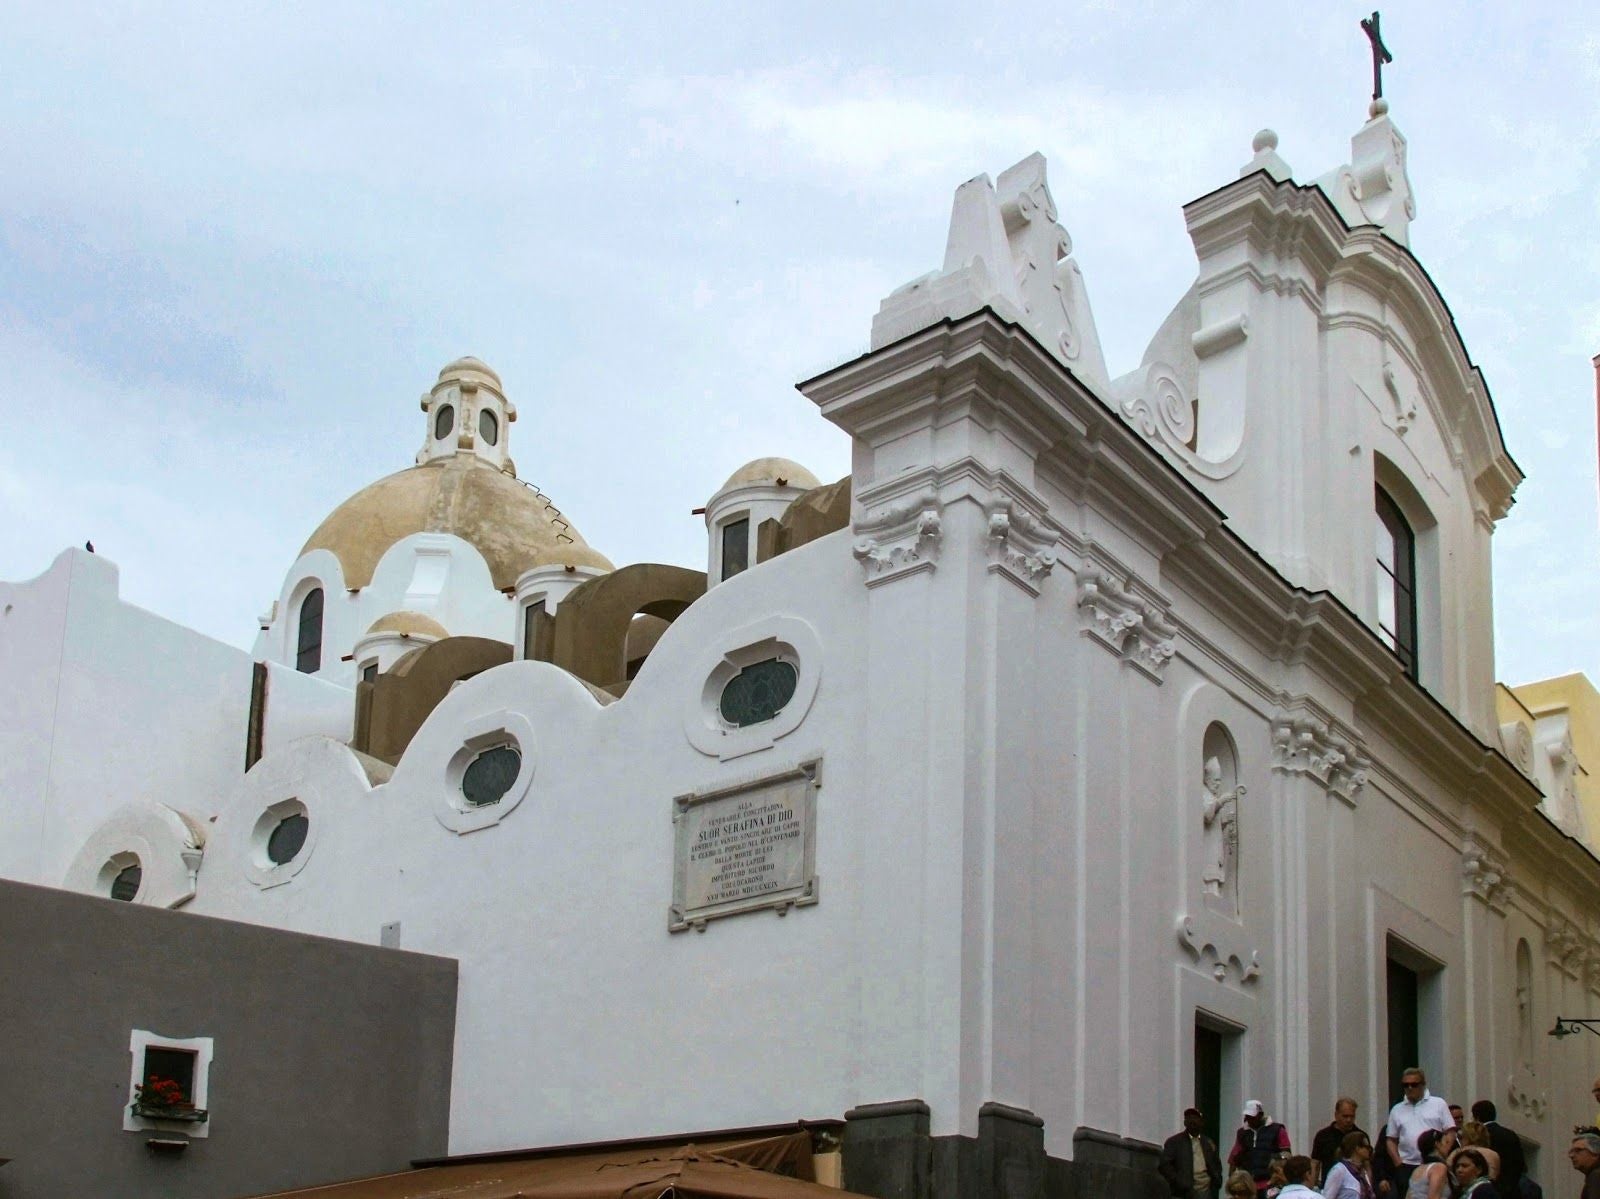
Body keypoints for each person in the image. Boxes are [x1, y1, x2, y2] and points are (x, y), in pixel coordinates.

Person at [1386, 1069, 1456, 1194]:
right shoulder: (1397, 1109)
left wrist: (1444, 1152)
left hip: (1433, 1162)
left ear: (1423, 1085)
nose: (1410, 1088)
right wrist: (1398, 1163)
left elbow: (1450, 1131)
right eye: (1406, 1085)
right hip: (1407, 1164)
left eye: (1414, 1084)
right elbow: (1391, 1139)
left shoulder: (1438, 1104)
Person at [1229, 1100, 1291, 1195]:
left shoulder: (1277, 1130)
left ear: (1260, 1114)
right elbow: (1234, 1157)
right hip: (1248, 1183)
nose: (1249, 1119)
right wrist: (1232, 1179)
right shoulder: (1242, 1133)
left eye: (1252, 1117)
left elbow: (1287, 1154)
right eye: (1247, 1116)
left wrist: (1275, 1161)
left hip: (1271, 1182)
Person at [1162, 1107, 1224, 1199]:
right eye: (1189, 1118)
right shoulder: (1174, 1142)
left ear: (1201, 1122)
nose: (1192, 1121)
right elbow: (1164, 1165)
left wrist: (1217, 1180)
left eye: (1195, 1118)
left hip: (1205, 1191)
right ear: (1185, 1122)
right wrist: (1179, 1182)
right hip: (1183, 1193)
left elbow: (1216, 1164)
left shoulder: (1208, 1143)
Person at [1472, 1100, 1526, 1199]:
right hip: (1512, 1191)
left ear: (1477, 1117)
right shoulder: (1510, 1134)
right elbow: (1521, 1164)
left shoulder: (1479, 1136)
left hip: (1490, 1190)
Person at [1314, 1099, 1368, 1184]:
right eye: (1345, 1116)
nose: (1349, 1120)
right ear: (1336, 1115)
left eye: (1352, 1116)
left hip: (1354, 1185)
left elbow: (1367, 1165)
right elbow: (1315, 1163)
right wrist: (1313, 1185)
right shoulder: (1323, 1136)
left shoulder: (1361, 1136)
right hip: (1329, 1183)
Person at [1324, 1130, 1377, 1199]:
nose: (1369, 1150)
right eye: (1367, 1147)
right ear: (1357, 1148)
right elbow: (1327, 1196)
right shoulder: (1339, 1170)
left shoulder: (1363, 1173)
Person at [1408, 1128, 1456, 1199]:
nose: (1449, 1147)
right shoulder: (1439, 1168)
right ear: (1437, 1144)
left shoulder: (1418, 1169)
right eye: (1446, 1142)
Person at [1568, 1131, 1600, 1199]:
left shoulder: (1596, 1176)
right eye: (1571, 1151)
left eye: (1578, 1150)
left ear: (1595, 1154)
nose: (1571, 1155)